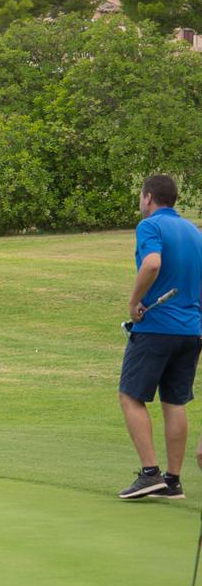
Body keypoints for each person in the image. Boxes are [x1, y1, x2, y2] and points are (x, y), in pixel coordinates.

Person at [118, 174, 202, 499]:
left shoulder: (150, 226)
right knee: (174, 401)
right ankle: (173, 480)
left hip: (157, 327)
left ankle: (150, 473)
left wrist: (133, 302)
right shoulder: (194, 233)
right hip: (191, 330)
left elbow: (152, 263)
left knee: (130, 396)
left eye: (141, 197)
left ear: (149, 197)